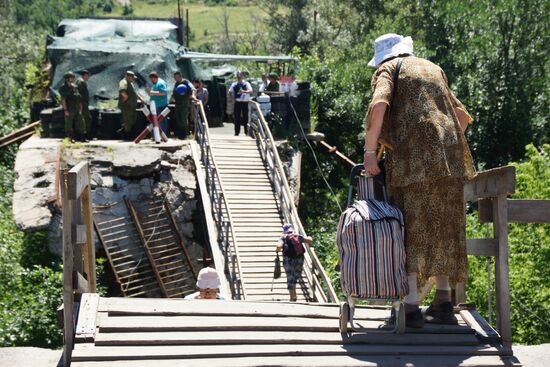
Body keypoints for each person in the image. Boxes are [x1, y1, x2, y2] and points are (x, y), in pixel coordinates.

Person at [363, 33, 477, 327]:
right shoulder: (432, 68)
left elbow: (378, 106)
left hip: (413, 162)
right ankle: (442, 302)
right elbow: (461, 117)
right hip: (450, 162)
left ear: (383, 56)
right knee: (445, 227)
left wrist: (370, 152)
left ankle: (411, 306)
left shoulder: (388, 69)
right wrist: (442, 147)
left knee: (411, 227)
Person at [275, 223, 313, 302]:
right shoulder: (297, 236)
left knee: (290, 277)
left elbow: (278, 246)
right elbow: (309, 240)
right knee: (295, 276)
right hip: (299, 259)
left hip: (288, 260)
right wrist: (309, 237)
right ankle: (294, 294)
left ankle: (292, 296)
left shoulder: (283, 237)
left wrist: (278, 249)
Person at [58, 71, 85, 141]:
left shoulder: (75, 87)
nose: (73, 79)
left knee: (81, 122)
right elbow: (63, 99)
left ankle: (82, 137)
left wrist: (80, 107)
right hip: (69, 108)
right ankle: (69, 138)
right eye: (71, 77)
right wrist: (65, 109)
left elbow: (78, 97)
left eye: (73, 77)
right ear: (67, 79)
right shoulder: (63, 88)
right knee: (69, 124)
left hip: (77, 107)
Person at [171, 71, 196, 139]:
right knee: (178, 119)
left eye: (176, 77)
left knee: (184, 119)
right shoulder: (176, 83)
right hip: (177, 104)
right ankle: (180, 135)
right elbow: (174, 92)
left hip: (184, 104)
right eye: (174, 77)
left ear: (180, 76)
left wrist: (193, 95)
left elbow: (193, 88)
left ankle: (186, 134)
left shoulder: (186, 82)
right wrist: (171, 99)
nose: (175, 79)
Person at [228, 71, 252, 136]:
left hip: (244, 102)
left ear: (242, 76)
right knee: (237, 118)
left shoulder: (246, 84)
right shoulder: (234, 84)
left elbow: (250, 91)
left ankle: (246, 132)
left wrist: (244, 91)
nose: (239, 77)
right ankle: (236, 132)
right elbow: (230, 91)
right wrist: (231, 98)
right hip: (237, 102)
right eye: (238, 76)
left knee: (245, 117)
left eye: (240, 76)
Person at [118, 70, 139, 140]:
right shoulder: (123, 82)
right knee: (128, 121)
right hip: (127, 106)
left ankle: (123, 132)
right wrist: (125, 102)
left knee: (131, 120)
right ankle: (127, 137)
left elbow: (133, 93)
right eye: (132, 78)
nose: (133, 79)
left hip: (131, 106)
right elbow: (123, 92)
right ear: (128, 77)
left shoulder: (130, 83)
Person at [76, 70, 92, 140]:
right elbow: (78, 94)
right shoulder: (81, 82)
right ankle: (85, 135)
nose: (88, 77)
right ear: (85, 75)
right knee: (86, 119)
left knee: (82, 119)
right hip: (82, 104)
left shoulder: (79, 81)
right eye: (88, 76)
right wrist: (80, 104)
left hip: (82, 104)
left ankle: (82, 135)